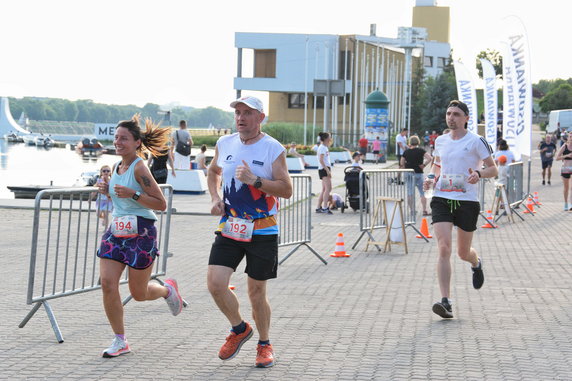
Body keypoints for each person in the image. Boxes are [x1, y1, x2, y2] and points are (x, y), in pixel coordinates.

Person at [206, 96, 292, 368]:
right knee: (216, 284)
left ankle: (264, 344)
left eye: (247, 113)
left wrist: (254, 180)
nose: (241, 117)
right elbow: (213, 171)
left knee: (256, 292)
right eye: (238, 113)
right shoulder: (225, 143)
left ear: (260, 118)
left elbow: (286, 190)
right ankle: (239, 328)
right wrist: (214, 197)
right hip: (230, 226)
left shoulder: (272, 148)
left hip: (263, 229)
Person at [96, 115, 184, 358]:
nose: (118, 142)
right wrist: (109, 192)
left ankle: (167, 290)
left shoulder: (139, 167)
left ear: (136, 143)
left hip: (142, 231)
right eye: (116, 138)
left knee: (138, 293)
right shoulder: (116, 167)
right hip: (117, 230)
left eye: (123, 138)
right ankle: (120, 340)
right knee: (107, 283)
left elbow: (160, 203)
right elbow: (120, 198)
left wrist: (133, 194)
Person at [424, 100, 498, 319]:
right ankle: (446, 301)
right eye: (448, 113)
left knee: (462, 252)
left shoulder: (476, 141)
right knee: (444, 248)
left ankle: (476, 263)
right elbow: (437, 166)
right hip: (442, 197)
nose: (451, 117)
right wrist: (430, 179)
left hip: (466, 200)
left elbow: (493, 168)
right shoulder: (441, 141)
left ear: (466, 118)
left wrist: (479, 174)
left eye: (456, 114)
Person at [400, 135, 432, 216]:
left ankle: (412, 211)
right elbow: (429, 158)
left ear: (410, 142)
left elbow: (401, 162)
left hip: (409, 173)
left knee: (410, 192)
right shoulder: (421, 150)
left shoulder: (406, 152)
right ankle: (424, 210)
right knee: (422, 192)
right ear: (418, 142)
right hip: (418, 173)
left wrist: (404, 168)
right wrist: (424, 165)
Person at [315, 132, 333, 214]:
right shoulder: (322, 148)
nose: (331, 138)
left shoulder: (324, 147)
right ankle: (325, 207)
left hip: (324, 168)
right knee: (328, 188)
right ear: (326, 139)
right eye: (329, 137)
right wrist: (327, 170)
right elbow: (321, 160)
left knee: (324, 189)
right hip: (324, 169)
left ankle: (318, 207)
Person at [555, 132, 572, 211]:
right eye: (570, 137)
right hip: (565, 168)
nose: (571, 138)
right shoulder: (564, 146)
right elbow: (557, 158)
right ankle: (566, 203)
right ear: (568, 138)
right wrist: (567, 156)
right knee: (566, 187)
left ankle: (571, 204)